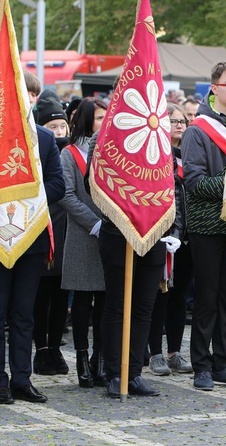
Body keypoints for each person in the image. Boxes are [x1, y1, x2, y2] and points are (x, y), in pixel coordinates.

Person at [182, 60, 226, 390]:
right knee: (206, 298)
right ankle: (201, 366)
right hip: (207, 226)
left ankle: (223, 362)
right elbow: (195, 183)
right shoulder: (197, 130)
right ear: (214, 88)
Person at [1, 100, 65, 403]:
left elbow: (57, 184)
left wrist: (29, 203)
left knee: (24, 314)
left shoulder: (44, 137)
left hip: (31, 237)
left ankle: (21, 380)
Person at [59, 98, 108, 388]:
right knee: (81, 301)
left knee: (104, 300)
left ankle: (99, 359)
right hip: (82, 235)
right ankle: (81, 358)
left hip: (108, 234)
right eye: (99, 118)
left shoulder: (109, 151)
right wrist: (94, 223)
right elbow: (66, 195)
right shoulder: (69, 153)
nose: (104, 122)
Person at [147, 104, 194, 376]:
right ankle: (154, 353)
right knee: (159, 298)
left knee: (179, 297)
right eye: (173, 121)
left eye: (183, 121)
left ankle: (174, 351)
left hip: (186, 239)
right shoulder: (155, 156)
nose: (178, 125)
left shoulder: (186, 157)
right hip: (164, 238)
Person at [31, 98, 70, 377]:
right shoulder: (39, 149)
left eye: (62, 125)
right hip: (42, 230)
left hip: (67, 235)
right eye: (52, 126)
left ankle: (55, 347)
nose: (58, 131)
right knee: (39, 297)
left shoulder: (70, 153)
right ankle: (42, 349)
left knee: (60, 296)